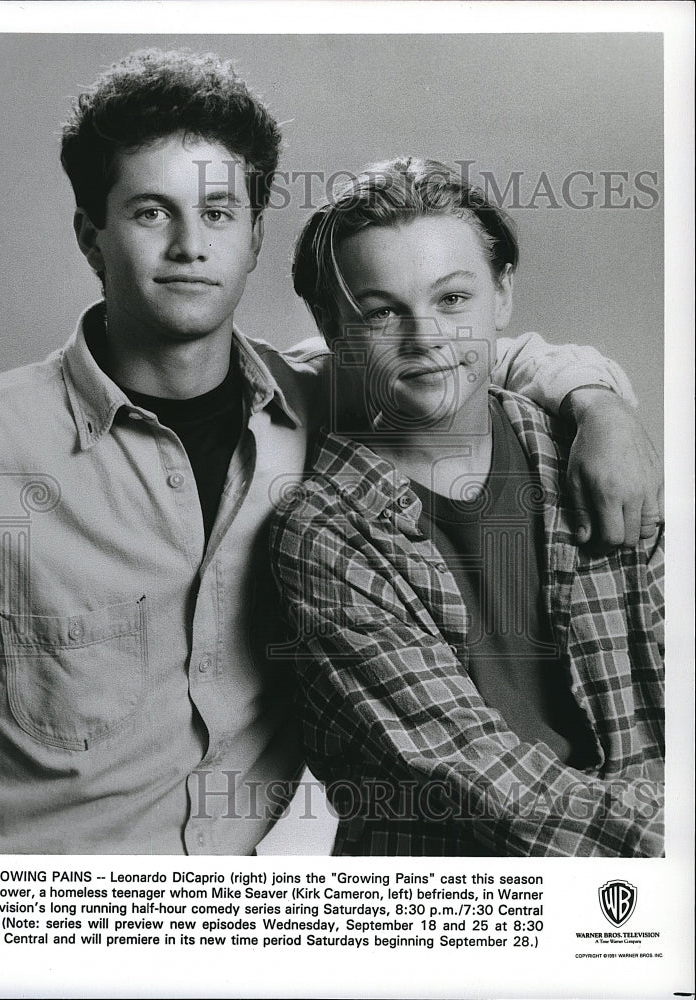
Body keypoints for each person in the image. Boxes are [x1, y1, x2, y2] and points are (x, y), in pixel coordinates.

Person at [0, 50, 661, 855]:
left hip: (242, 918)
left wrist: (598, 403)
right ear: (89, 236)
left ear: (252, 236)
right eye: (149, 212)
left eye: (217, 214)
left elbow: (460, 349)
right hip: (28, 921)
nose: (188, 246)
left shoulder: (319, 396)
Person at [271, 157, 664, 857]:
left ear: (502, 294)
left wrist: (598, 404)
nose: (425, 338)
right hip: (456, 886)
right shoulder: (322, 529)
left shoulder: (588, 452)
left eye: (452, 299)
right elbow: (483, 782)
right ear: (332, 328)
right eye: (381, 311)